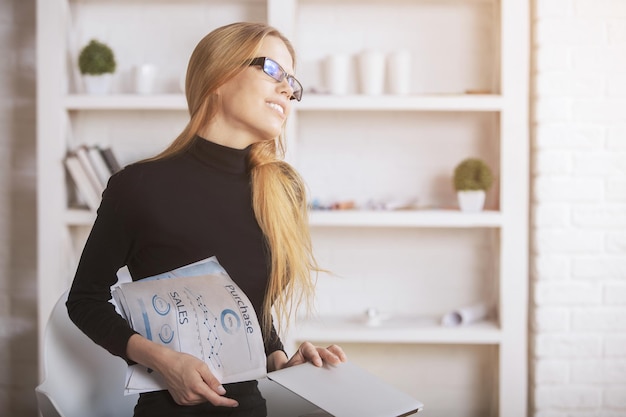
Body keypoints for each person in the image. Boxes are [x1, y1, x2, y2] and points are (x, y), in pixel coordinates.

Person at [66, 21, 347, 417]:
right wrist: (161, 361)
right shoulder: (137, 186)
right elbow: (85, 300)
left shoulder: (284, 193)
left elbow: (251, 312)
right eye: (272, 71)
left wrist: (282, 361)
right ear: (219, 74)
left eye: (292, 82)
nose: (288, 89)